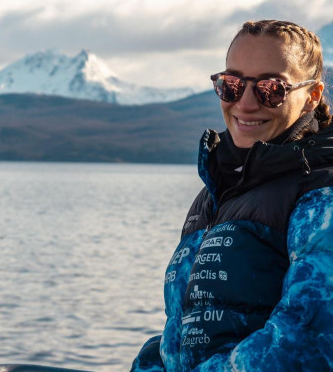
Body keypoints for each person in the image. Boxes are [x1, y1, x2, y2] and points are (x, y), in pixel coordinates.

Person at [131, 19, 333, 371]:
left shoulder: (321, 193)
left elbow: (309, 337)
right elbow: (182, 327)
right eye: (233, 85)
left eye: (271, 88)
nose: (246, 103)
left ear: (312, 96)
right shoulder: (215, 194)